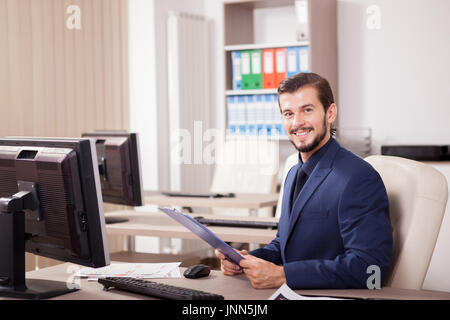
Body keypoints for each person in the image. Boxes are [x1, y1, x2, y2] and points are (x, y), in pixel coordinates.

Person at [215, 73, 393, 289]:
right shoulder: (293, 173)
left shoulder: (358, 178)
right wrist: (245, 260)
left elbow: (371, 269)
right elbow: (285, 245)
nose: (297, 122)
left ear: (330, 113)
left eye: (307, 110)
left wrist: (284, 276)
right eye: (288, 113)